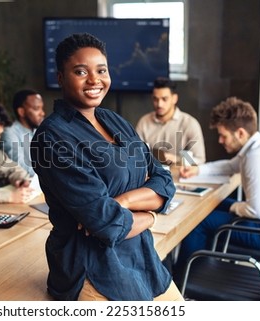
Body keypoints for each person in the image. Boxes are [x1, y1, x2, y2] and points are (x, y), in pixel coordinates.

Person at [30, 33, 183, 301]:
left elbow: (163, 180)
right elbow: (105, 223)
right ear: (61, 78)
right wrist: (150, 215)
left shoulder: (115, 120)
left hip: (141, 256)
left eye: (101, 70)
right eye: (80, 71)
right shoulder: (52, 137)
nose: (94, 80)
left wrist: (122, 202)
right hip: (91, 268)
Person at [175, 96, 260, 272]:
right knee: (213, 205)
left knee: (199, 222)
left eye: (223, 135)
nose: (220, 140)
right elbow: (231, 165)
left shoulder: (256, 158)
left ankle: (184, 279)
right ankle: (202, 271)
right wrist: (198, 170)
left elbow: (255, 211)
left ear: (240, 133)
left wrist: (233, 207)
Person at [135, 77, 206, 166]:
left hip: (180, 176)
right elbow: (137, 155)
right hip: (152, 174)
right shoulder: (144, 122)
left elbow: (199, 159)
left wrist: (178, 159)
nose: (159, 104)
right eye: (155, 99)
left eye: (164, 99)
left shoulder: (190, 123)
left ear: (174, 99)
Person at [0, 89, 45, 176]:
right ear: (21, 112)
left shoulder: (39, 131)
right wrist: (52, 173)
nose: (42, 113)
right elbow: (21, 166)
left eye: (42, 108)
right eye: (37, 108)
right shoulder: (9, 133)